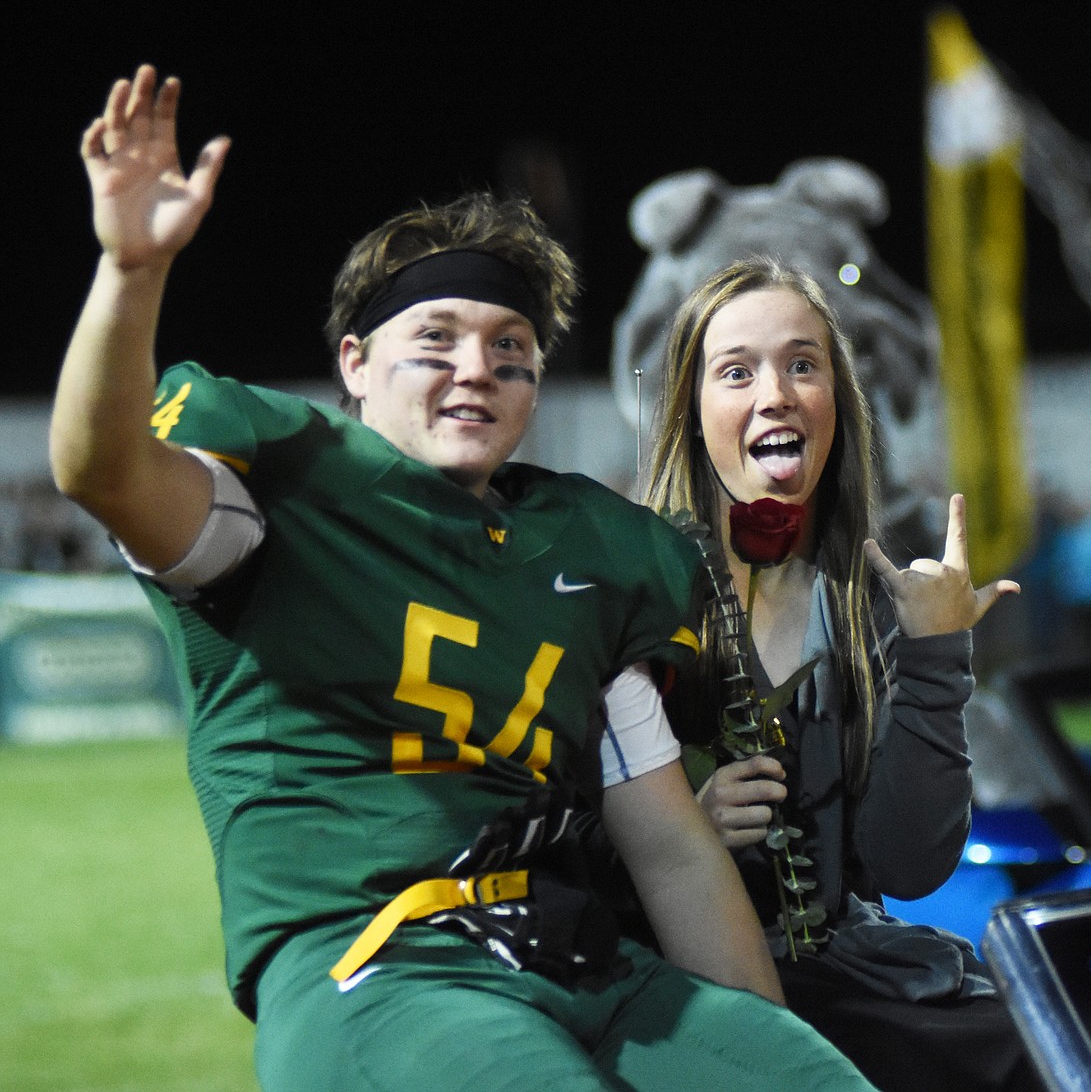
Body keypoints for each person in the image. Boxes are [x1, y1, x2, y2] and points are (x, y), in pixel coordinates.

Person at [49, 67, 876, 1092]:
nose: (476, 367)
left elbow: (669, 846)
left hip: (579, 962)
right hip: (379, 967)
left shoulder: (591, 547)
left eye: (509, 347)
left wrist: (764, 1052)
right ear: (355, 362)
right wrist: (131, 272)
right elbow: (101, 467)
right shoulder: (282, 499)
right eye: (435, 338)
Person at [642, 257, 1038, 1092]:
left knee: (1046, 1045)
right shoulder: (630, 595)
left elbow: (907, 867)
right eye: (737, 371)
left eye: (802, 364)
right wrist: (683, 827)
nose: (775, 393)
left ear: (835, 404)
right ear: (692, 409)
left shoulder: (870, 602)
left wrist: (935, 655)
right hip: (675, 980)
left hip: (852, 978)